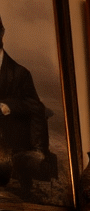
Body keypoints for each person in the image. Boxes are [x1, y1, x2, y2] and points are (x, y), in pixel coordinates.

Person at [0, 15, 50, 185]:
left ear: (2, 33)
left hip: (9, 141)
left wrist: (9, 106)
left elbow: (36, 106)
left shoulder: (20, 73)